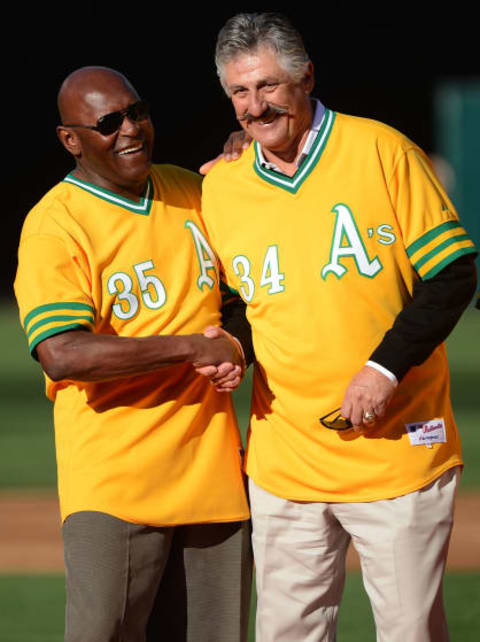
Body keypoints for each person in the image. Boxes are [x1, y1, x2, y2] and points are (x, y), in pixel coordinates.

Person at [200, 12, 478, 642]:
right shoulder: (223, 188)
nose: (256, 106)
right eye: (240, 93)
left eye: (269, 85)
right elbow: (239, 303)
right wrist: (232, 347)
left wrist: (382, 368)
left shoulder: (380, 150)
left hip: (397, 455)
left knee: (411, 634)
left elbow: (453, 275)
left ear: (306, 78)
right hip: (285, 464)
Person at [14, 66, 253, 642]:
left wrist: (255, 159)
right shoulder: (57, 224)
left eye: (137, 112)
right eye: (107, 122)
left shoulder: (192, 193)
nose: (130, 129)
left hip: (214, 478)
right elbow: (63, 354)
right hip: (116, 483)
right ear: (70, 139)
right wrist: (191, 347)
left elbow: (246, 301)